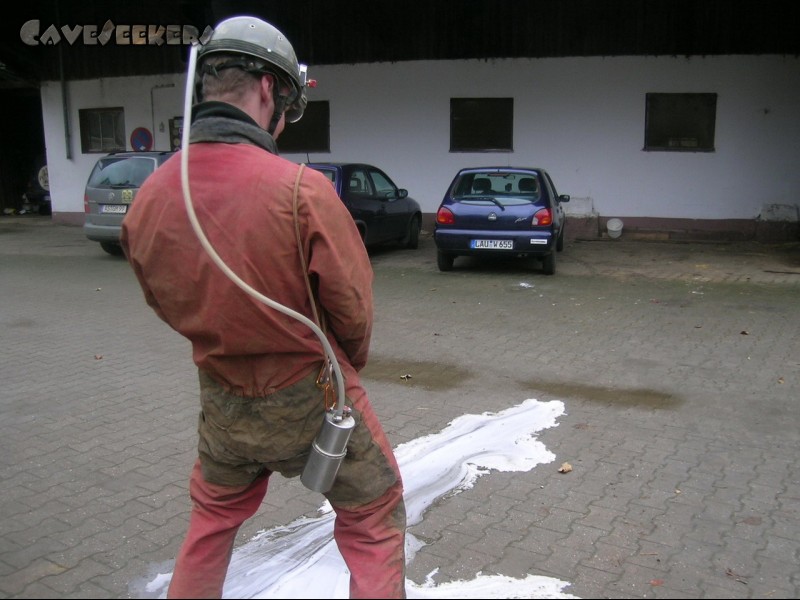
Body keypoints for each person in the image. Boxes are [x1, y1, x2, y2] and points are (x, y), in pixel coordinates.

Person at [120, 16, 407, 599]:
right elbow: (351, 308)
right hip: (310, 390)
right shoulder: (301, 191)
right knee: (373, 517)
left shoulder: (148, 199)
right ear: (270, 89)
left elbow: (161, 299)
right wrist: (343, 370)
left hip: (223, 398)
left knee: (211, 521)